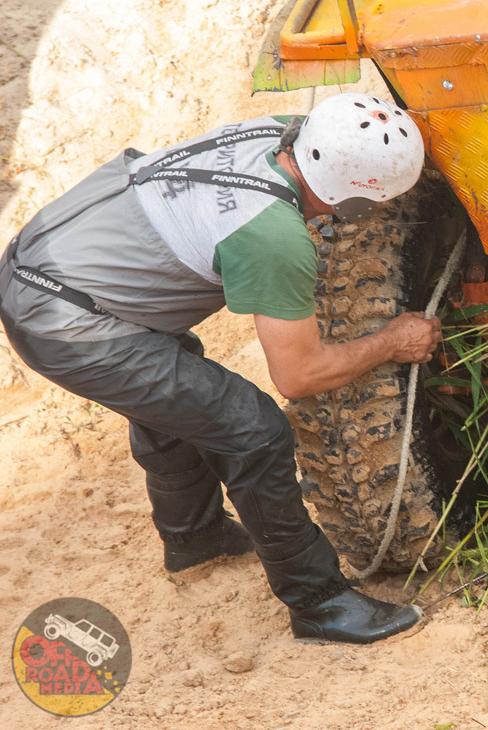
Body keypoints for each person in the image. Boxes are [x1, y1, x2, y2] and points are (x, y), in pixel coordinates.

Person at [0, 92, 441, 644]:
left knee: (180, 389)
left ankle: (196, 539)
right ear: (348, 203)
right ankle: (319, 602)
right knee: (251, 429)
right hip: (65, 321)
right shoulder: (272, 238)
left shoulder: (280, 131)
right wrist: (393, 341)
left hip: (49, 257)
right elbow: (299, 375)